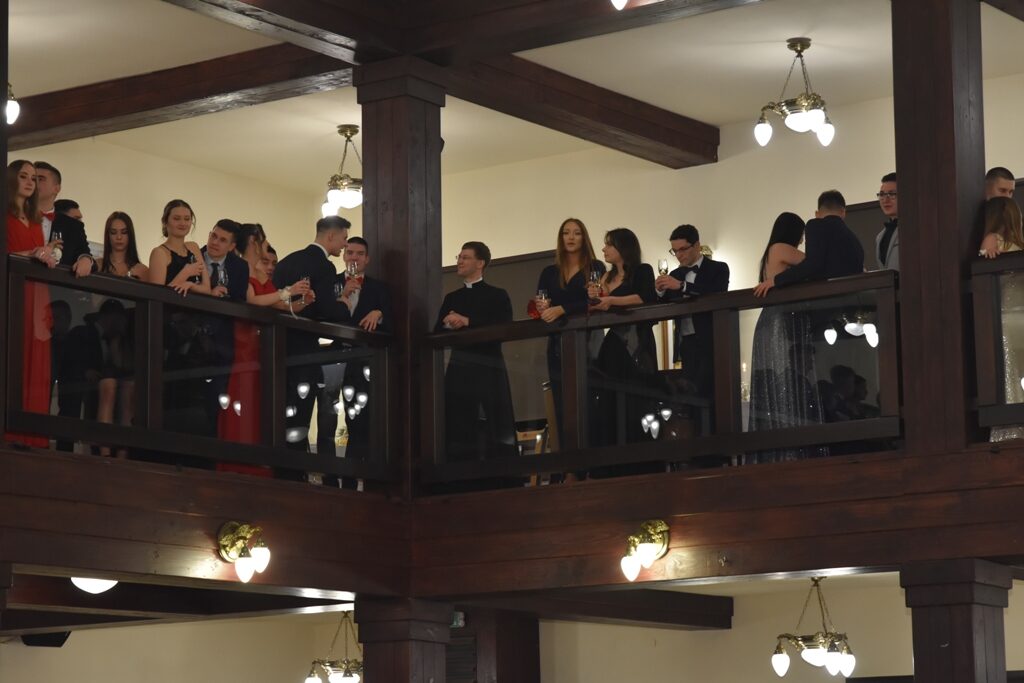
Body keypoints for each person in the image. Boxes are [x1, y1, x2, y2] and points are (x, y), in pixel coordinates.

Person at [218, 224, 312, 453]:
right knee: (244, 396)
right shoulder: (239, 267)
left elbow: (279, 305)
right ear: (253, 242)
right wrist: (287, 291)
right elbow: (252, 301)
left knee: (259, 402)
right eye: (263, 240)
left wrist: (303, 301)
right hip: (243, 342)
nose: (266, 244)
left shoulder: (260, 274)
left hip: (262, 345)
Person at [747, 212, 829, 463]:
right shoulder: (781, 248)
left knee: (782, 381)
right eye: (801, 234)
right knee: (787, 380)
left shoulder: (770, 252)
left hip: (774, 318)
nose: (802, 239)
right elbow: (816, 264)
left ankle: (779, 453)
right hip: (781, 319)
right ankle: (793, 453)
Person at [273, 216, 352, 455]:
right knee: (301, 413)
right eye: (344, 238)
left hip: (278, 343)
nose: (345, 244)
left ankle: (281, 465)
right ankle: (296, 467)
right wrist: (344, 304)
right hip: (304, 349)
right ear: (331, 236)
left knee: (282, 410)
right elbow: (325, 309)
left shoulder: (286, 261)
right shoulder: (324, 266)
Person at [436, 242, 517, 463]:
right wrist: (448, 324)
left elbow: (504, 327)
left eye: (465, 257)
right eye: (459, 257)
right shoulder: (452, 298)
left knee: (494, 420)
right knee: (458, 421)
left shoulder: (497, 295)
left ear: (480, 263)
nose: (460, 261)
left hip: (489, 366)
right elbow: (437, 332)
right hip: (459, 368)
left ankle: (500, 472)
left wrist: (467, 321)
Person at [587, 228, 660, 470]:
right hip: (615, 341)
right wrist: (594, 298)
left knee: (639, 398)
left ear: (623, 247)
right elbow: (597, 303)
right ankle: (613, 461)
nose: (604, 249)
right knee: (611, 399)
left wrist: (610, 301)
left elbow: (644, 297)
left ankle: (644, 460)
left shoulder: (642, 270)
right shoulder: (606, 277)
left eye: (609, 244)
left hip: (638, 339)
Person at [317, 236, 391, 465]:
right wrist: (343, 296)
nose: (354, 258)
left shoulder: (379, 288)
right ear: (344, 256)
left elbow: (393, 322)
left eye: (359, 254)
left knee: (358, 418)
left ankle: (356, 472)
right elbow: (320, 314)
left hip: (362, 358)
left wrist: (379, 313)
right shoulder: (330, 283)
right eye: (349, 253)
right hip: (333, 355)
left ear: (367, 259)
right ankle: (328, 474)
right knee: (326, 418)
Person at [534, 218, 605, 438]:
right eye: (566, 233)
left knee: (589, 396)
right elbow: (539, 302)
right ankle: (568, 457)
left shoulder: (595, 267)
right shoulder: (549, 271)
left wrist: (562, 309)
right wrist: (542, 306)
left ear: (584, 238)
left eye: (576, 233)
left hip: (587, 338)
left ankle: (593, 455)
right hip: (558, 341)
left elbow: (596, 302)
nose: (571, 237)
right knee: (561, 399)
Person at [5, 160, 57, 448]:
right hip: (14, 292)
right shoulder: (5, 216)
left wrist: (47, 255)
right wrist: (34, 253)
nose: (29, 182)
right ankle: (11, 433)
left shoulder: (36, 219)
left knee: (36, 358)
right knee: (14, 354)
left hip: (37, 292)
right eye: (23, 176)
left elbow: (36, 253)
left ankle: (33, 438)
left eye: (34, 178)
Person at [655, 224, 730, 408]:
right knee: (690, 395)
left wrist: (683, 286)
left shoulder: (718, 268)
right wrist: (659, 290)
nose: (679, 255)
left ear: (697, 245)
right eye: (675, 251)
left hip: (712, 339)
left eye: (683, 249)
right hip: (686, 342)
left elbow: (715, 293)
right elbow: (663, 303)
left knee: (711, 393)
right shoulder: (675, 274)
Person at [754, 190, 865, 296]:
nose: (802, 241)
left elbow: (812, 263)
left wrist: (776, 280)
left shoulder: (815, 225)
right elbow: (813, 263)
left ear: (817, 213)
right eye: (801, 235)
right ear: (843, 212)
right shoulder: (854, 240)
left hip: (827, 299)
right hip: (850, 297)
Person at [979, 197, 1024, 443]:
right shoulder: (1017, 244)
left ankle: (1009, 431)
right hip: (1018, 315)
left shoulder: (993, 239)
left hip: (1004, 317)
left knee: (1007, 371)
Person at [34, 162, 94, 277]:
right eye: (33, 178)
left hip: (56, 285)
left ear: (56, 188)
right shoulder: (17, 216)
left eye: (40, 179)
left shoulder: (73, 226)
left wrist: (86, 260)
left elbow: (85, 254)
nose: (34, 182)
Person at [147, 199, 211, 296]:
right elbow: (156, 295)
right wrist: (185, 273)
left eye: (187, 219)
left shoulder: (193, 247)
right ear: (165, 222)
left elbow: (207, 290)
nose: (182, 223)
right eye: (177, 219)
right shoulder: (159, 253)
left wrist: (190, 285)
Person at [202, 219, 249, 301]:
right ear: (209, 235)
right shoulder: (193, 257)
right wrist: (210, 295)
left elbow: (240, 302)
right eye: (214, 236)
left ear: (231, 246)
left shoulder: (241, 267)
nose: (215, 242)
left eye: (222, 240)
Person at [98, 211, 148, 280]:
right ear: (108, 235)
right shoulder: (97, 266)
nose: (119, 237)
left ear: (130, 235)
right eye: (113, 232)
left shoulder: (143, 271)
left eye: (124, 232)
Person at [875, 172, 899, 271]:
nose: (885, 200)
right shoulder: (879, 237)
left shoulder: (916, 229)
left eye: (892, 194)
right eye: (882, 194)